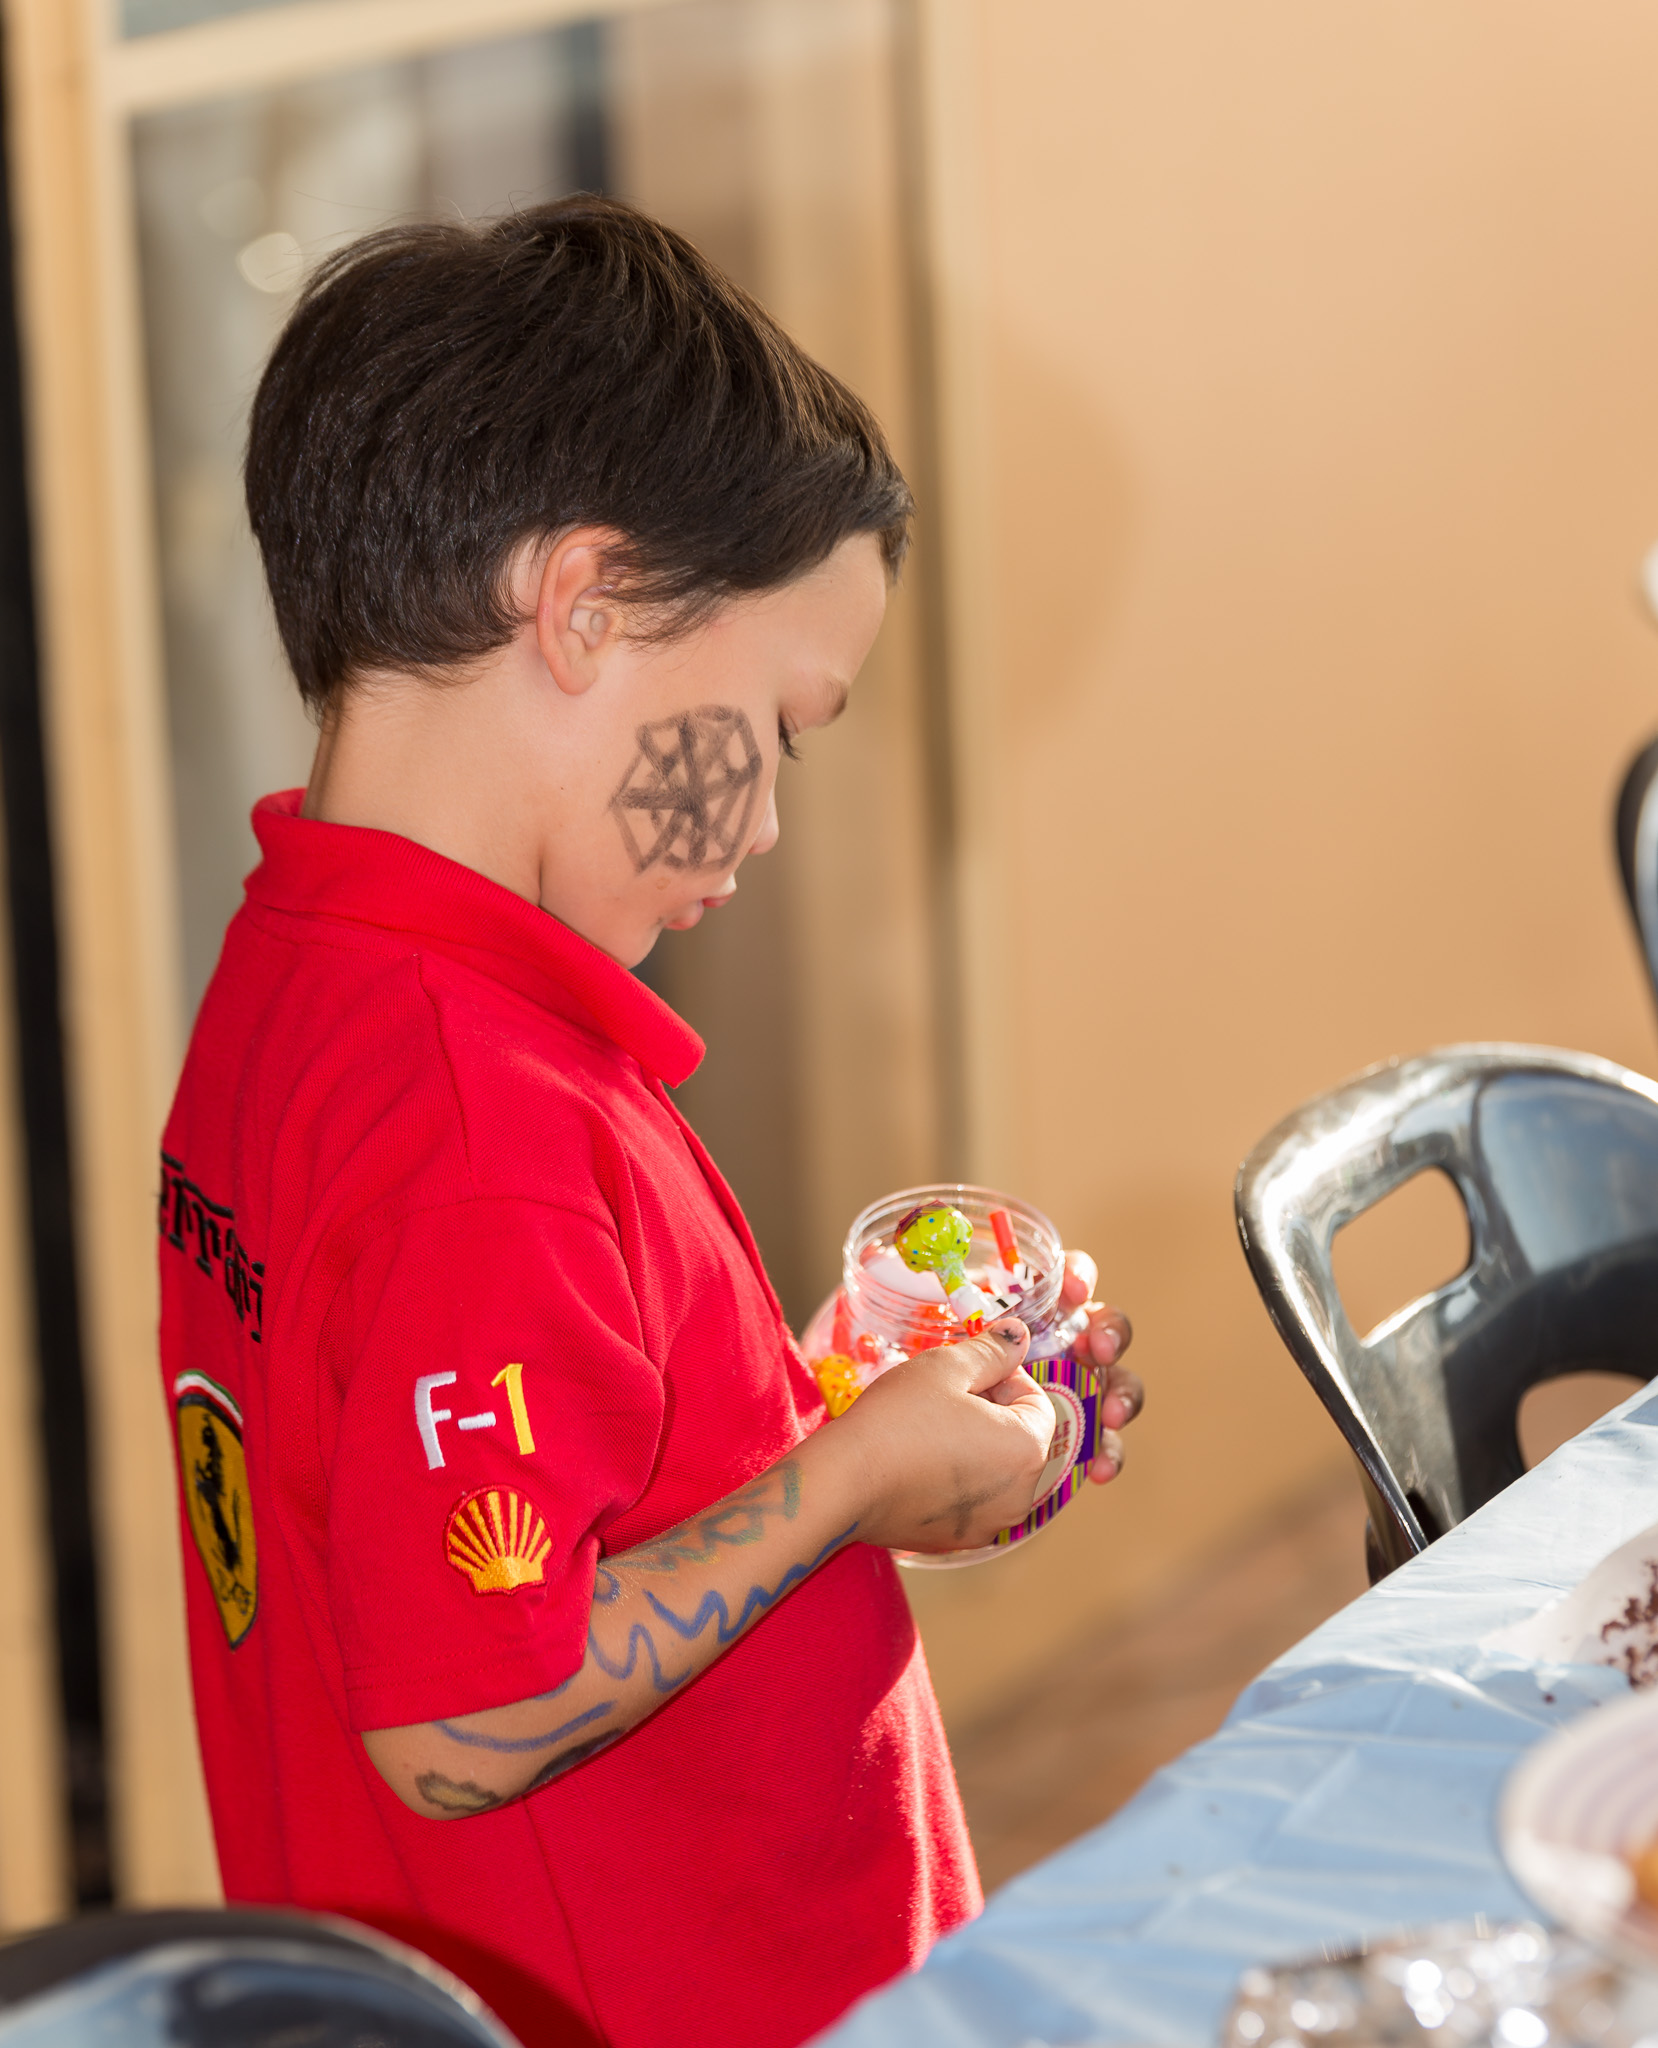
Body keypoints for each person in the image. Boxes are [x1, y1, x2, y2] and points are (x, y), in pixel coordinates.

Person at [158, 195, 1141, 2048]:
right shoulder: (483, 1126)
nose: (760, 820)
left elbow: (485, 1468)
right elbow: (461, 1721)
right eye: (777, 724)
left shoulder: (301, 986)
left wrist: (842, 1415)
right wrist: (844, 1485)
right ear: (585, 606)